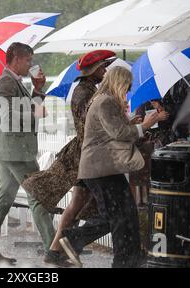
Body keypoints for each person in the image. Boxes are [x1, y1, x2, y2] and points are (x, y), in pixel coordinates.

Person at [59, 66, 166, 268]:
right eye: (126, 87)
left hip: (104, 168)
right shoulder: (105, 101)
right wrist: (145, 125)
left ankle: (130, 256)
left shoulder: (105, 101)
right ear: (119, 82)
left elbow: (114, 130)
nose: (127, 91)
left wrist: (132, 123)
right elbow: (119, 134)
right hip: (100, 169)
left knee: (126, 213)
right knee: (117, 215)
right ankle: (77, 241)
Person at [0, 42, 70, 267]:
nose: (31, 64)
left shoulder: (14, 82)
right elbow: (7, 115)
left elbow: (26, 107)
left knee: (2, 199)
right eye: (28, 60)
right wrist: (36, 112)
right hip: (15, 150)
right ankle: (53, 251)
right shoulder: (4, 82)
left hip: (11, 150)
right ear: (16, 59)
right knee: (38, 196)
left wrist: (38, 90)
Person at [21, 50, 117, 257]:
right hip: (85, 155)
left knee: (76, 204)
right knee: (79, 205)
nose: (105, 70)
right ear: (93, 70)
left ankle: (56, 251)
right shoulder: (85, 92)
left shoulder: (90, 89)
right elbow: (89, 126)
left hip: (85, 154)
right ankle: (58, 249)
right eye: (102, 67)